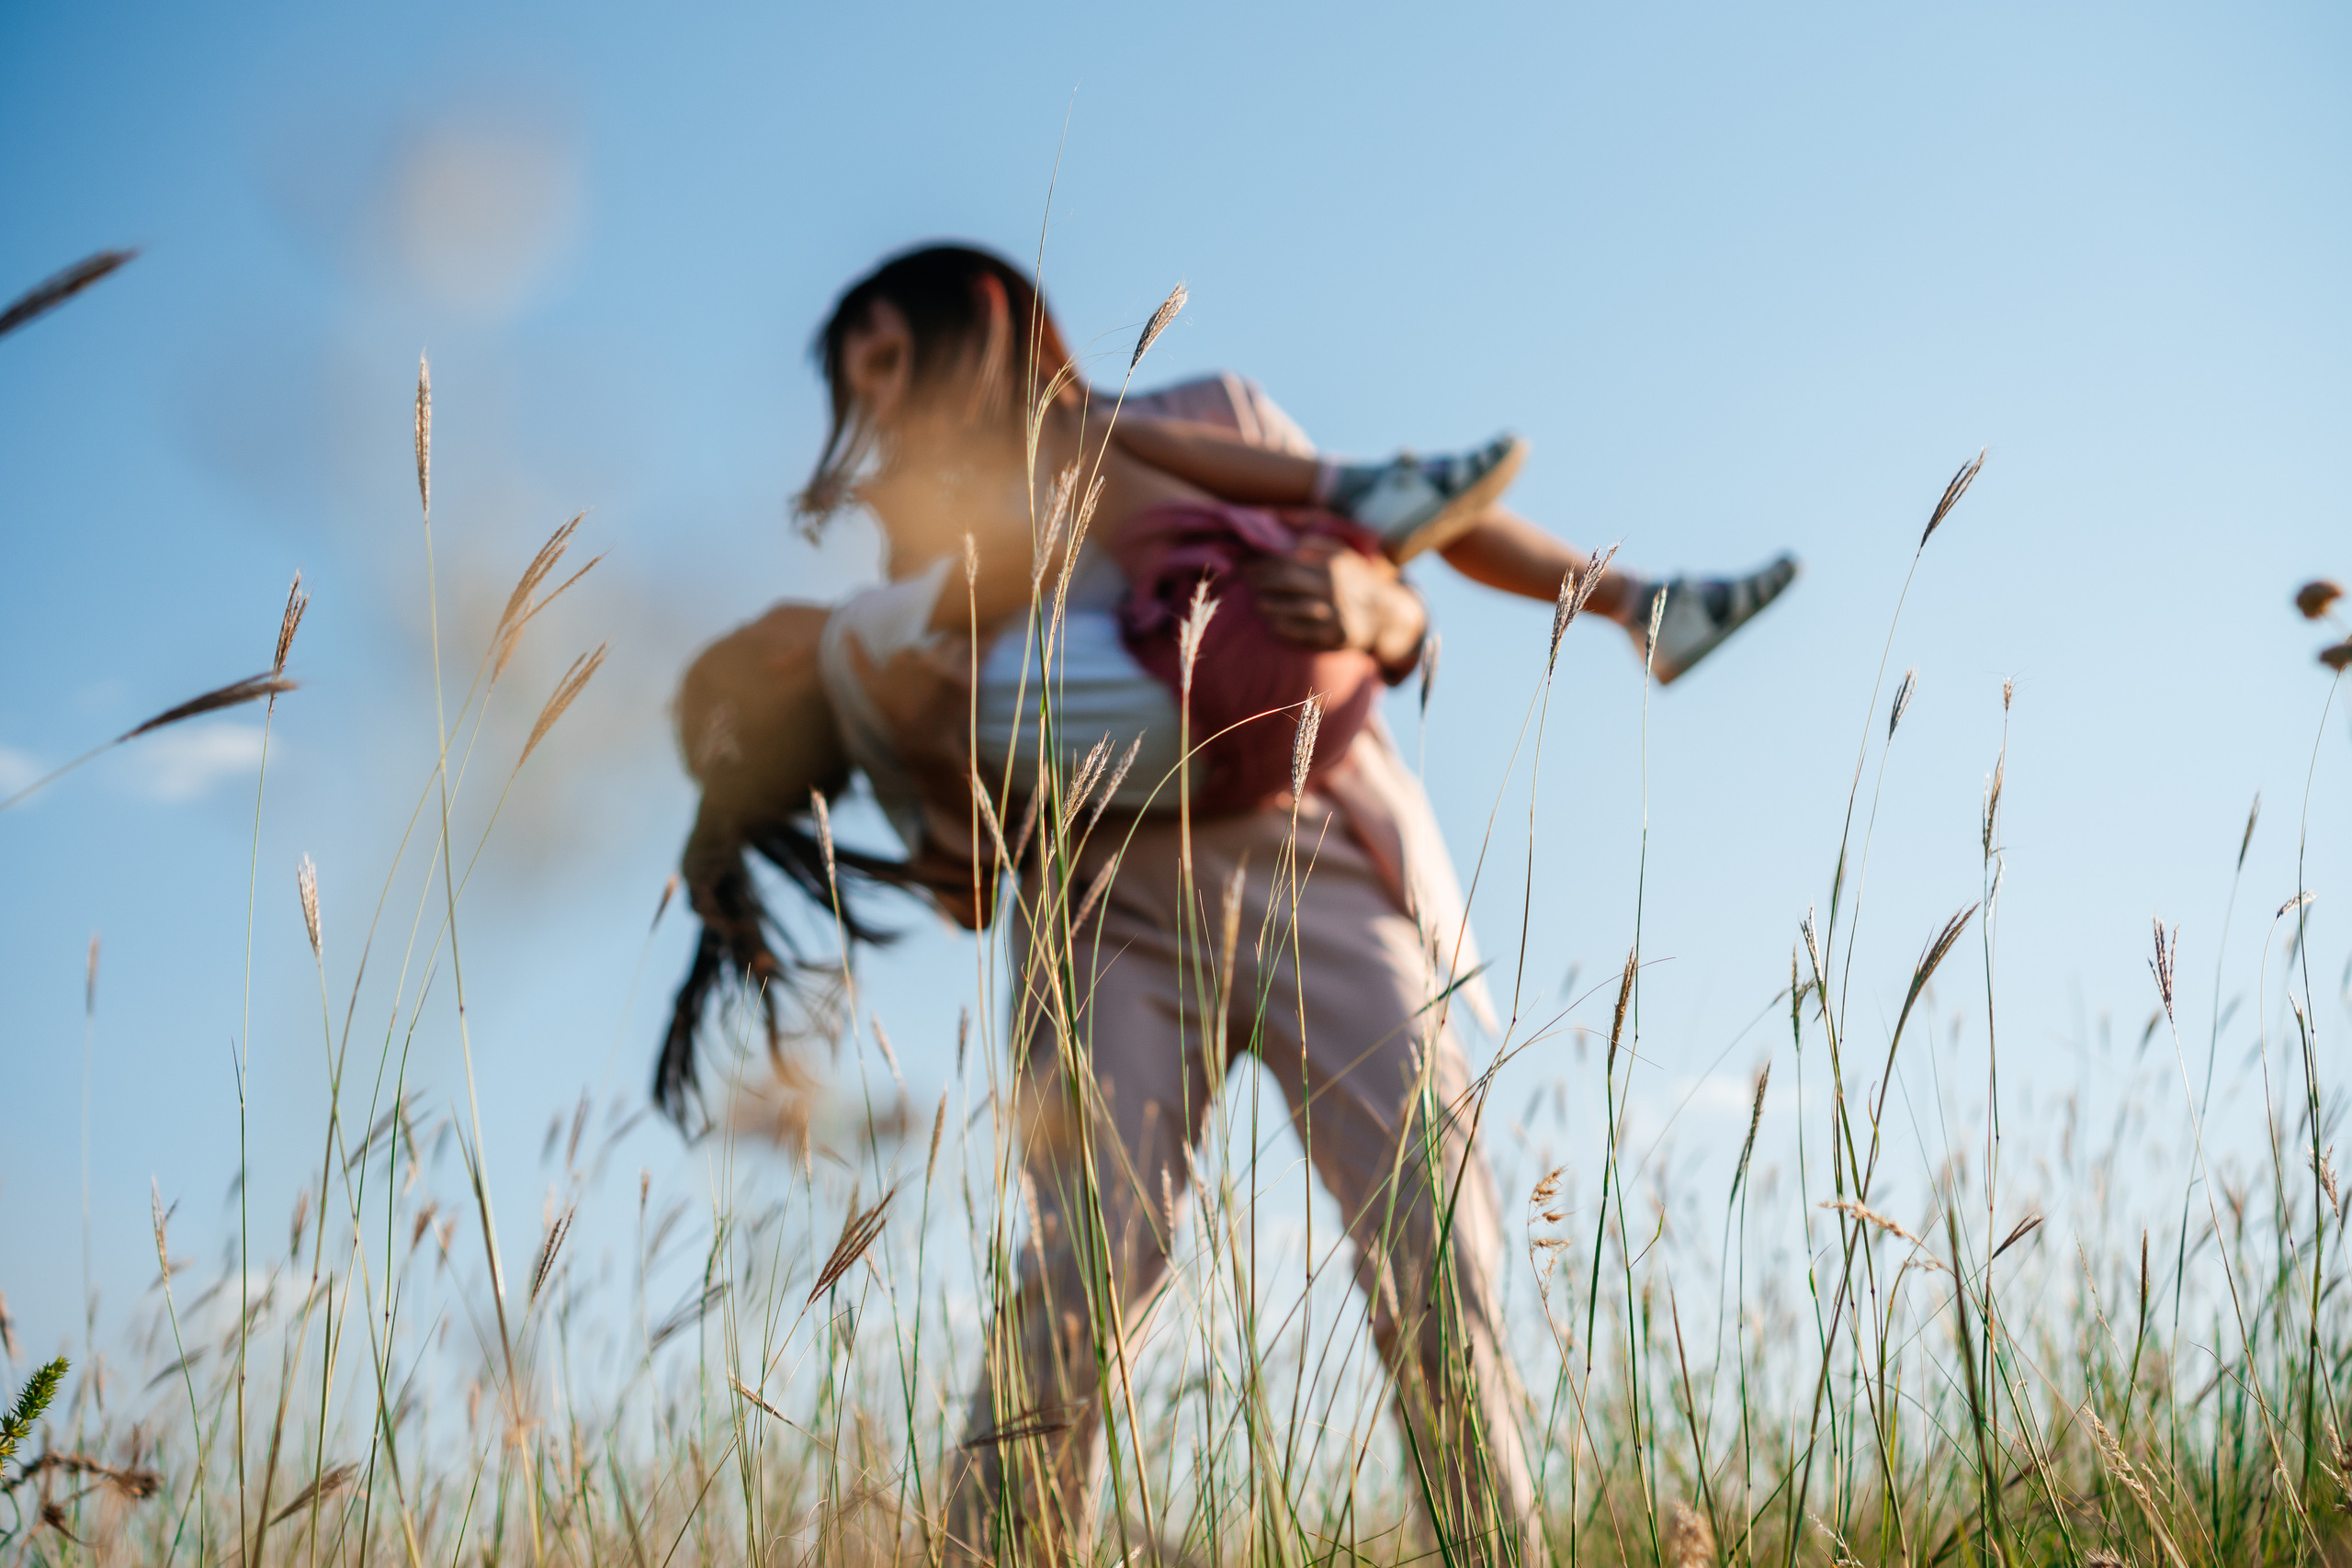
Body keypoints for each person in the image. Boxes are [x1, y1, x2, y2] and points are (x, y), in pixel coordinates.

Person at [669, 242, 1797, 1563]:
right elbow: (970, 876)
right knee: (1085, 1263)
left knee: (1436, 1240)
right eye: (854, 383)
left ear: (978, 322)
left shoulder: (1202, 421)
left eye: (883, 357)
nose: (874, 400)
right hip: (1103, 916)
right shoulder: (912, 584)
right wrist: (926, 765)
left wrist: (1376, 607)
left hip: (1319, 861)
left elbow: (1391, 580)